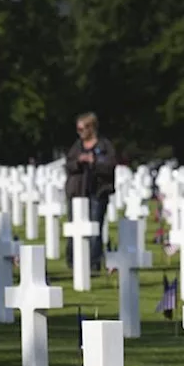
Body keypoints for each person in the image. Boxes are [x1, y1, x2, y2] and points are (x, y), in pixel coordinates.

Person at [64, 112, 116, 272]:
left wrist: (95, 162)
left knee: (94, 228)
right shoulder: (77, 146)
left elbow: (110, 165)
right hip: (78, 192)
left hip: (97, 191)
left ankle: (93, 263)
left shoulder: (104, 146)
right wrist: (79, 162)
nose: (79, 133)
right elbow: (68, 164)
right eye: (78, 129)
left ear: (91, 128)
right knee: (75, 227)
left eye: (82, 129)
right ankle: (73, 261)